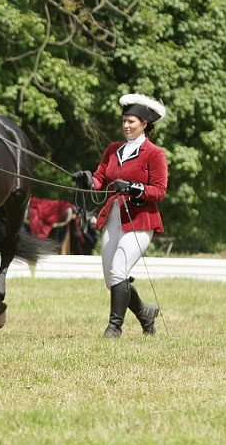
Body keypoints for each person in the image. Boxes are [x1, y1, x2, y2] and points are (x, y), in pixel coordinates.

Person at [72, 93, 168, 338]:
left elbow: (159, 191)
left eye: (132, 121)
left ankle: (114, 327)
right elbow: (100, 178)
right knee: (113, 279)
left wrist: (134, 188)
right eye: (124, 120)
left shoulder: (154, 153)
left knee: (118, 271)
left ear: (144, 124)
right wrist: (88, 180)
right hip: (113, 217)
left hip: (140, 221)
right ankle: (145, 312)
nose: (126, 125)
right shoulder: (113, 149)